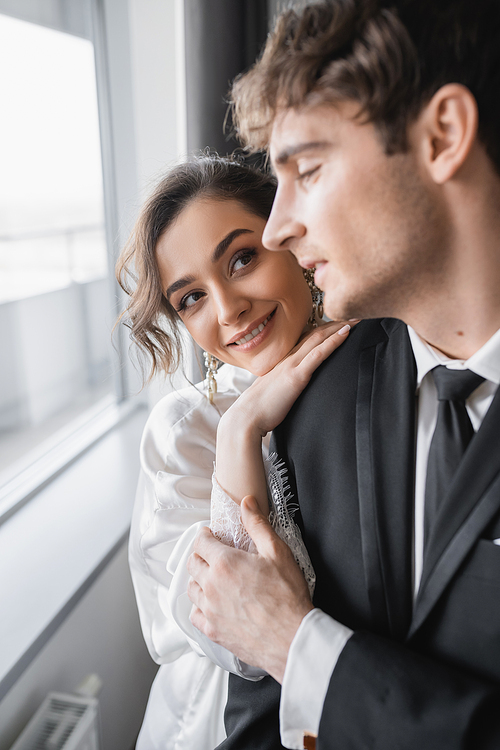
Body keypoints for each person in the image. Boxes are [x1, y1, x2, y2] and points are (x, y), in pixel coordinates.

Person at [186, 2, 500, 749]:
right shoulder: (306, 404)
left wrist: (297, 644)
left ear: (442, 136)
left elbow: (276, 651)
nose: (275, 227)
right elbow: (256, 722)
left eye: (309, 168)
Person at [116, 155, 350, 750]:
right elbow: (231, 637)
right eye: (191, 298)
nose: (228, 310)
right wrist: (239, 433)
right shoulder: (185, 429)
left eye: (241, 259)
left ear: (288, 237)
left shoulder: (371, 361)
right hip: (218, 723)